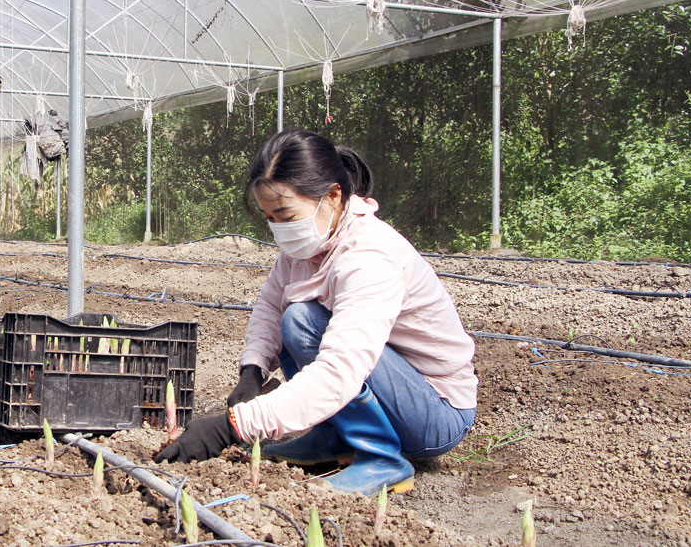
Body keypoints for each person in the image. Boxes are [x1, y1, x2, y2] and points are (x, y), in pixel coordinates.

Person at [155, 128, 477, 497]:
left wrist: (233, 427)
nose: (278, 228)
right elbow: (268, 309)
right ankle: (333, 437)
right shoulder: (306, 248)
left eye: (285, 213)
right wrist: (252, 371)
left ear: (333, 196)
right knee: (293, 315)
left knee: (304, 321)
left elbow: (341, 369)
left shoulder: (369, 256)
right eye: (268, 217)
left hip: (434, 413)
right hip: (388, 391)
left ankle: (381, 457)